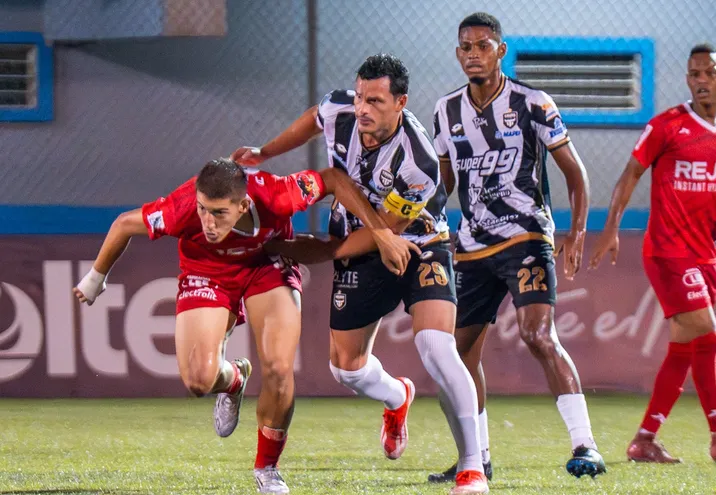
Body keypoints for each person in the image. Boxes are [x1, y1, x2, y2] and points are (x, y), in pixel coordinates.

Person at [73, 158, 417, 494]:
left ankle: (267, 468)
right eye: (203, 209)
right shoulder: (182, 208)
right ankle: (234, 379)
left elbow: (333, 179)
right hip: (206, 272)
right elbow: (123, 224)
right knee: (197, 380)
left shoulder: (277, 194)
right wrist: (95, 279)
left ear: (244, 204)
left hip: (266, 265)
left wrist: (380, 232)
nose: (207, 221)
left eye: (219, 212)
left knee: (280, 369)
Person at [232, 53, 490, 494]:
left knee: (435, 346)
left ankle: (472, 468)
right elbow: (315, 118)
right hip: (364, 241)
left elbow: (387, 233)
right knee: (347, 370)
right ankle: (397, 397)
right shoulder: (341, 111)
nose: (362, 109)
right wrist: (265, 152)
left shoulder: (420, 164)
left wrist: (318, 252)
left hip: (420, 244)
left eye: (374, 100)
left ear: (400, 103)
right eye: (359, 97)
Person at [428, 12, 605, 482]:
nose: (473, 54)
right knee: (456, 352)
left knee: (538, 335)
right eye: (465, 47)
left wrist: (576, 232)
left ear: (500, 50)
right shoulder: (446, 111)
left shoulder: (532, 102)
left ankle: (585, 445)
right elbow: (444, 179)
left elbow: (575, 172)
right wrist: (422, 218)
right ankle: (477, 458)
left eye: (482, 46)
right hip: (470, 246)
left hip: (526, 235)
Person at [589, 43, 716, 463]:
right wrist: (610, 230)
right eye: (694, 74)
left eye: (709, 72)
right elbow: (629, 175)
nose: (701, 80)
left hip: (705, 254)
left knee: (685, 347)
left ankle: (644, 440)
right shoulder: (667, 126)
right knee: (708, 336)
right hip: (667, 252)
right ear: (688, 80)